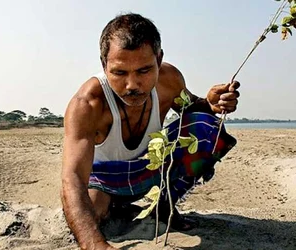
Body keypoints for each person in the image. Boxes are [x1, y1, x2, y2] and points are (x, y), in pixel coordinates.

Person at [61, 13, 240, 250]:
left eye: (144, 71)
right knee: (91, 216)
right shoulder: (88, 104)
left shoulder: (169, 80)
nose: (132, 85)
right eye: (120, 73)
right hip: (104, 179)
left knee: (208, 127)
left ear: (159, 58)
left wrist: (210, 104)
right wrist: (95, 245)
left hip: (150, 168)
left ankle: (163, 207)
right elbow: (72, 178)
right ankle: (117, 205)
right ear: (104, 64)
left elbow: (192, 109)